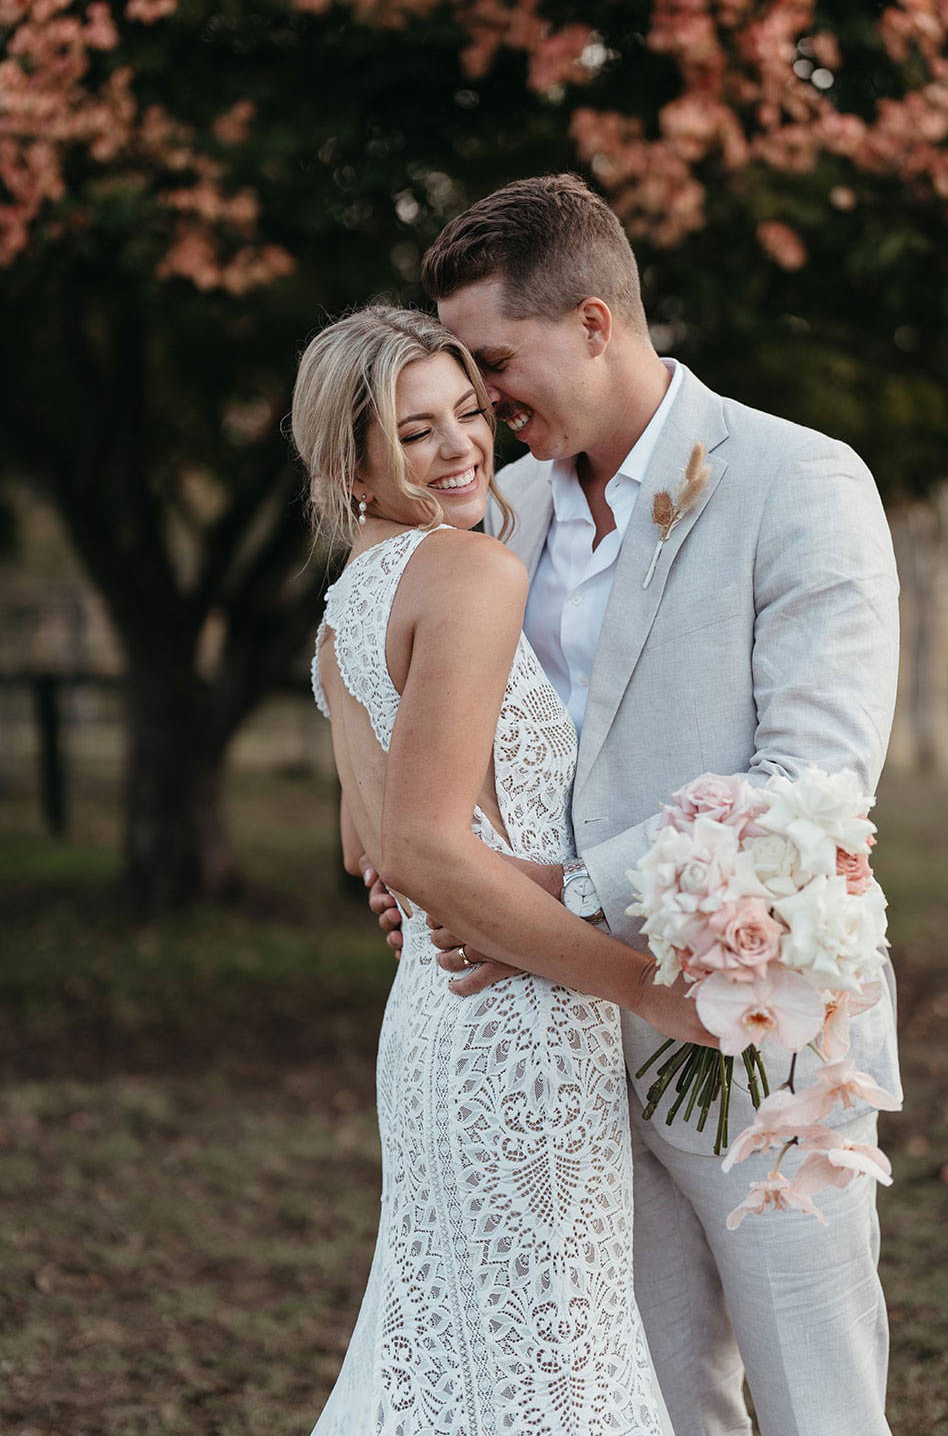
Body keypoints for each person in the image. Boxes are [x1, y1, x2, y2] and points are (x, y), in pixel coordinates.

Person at [367, 175, 902, 1436]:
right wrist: (416, 858)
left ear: (596, 322)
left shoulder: (800, 481)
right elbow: (420, 686)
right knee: (649, 1404)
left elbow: (812, 791)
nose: (485, 401)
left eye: (496, 359)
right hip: (566, 1051)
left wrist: (543, 894)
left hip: (756, 1042)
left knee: (816, 1402)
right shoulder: (508, 510)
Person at [290, 302, 707, 1434]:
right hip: (518, 1023)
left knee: (464, 1362)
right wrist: (643, 985)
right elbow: (418, 848)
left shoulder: (343, 608)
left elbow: (364, 847)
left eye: (469, 412)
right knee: (554, 1373)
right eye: (414, 430)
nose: (462, 445)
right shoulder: (467, 572)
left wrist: (414, 872)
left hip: (431, 1021)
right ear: (349, 457)